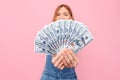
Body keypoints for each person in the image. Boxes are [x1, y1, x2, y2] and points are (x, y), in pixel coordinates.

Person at [39, 4, 79, 80]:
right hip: (49, 76)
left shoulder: (76, 37)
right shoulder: (49, 35)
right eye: (58, 15)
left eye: (65, 14)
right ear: (55, 18)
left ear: (71, 18)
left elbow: (74, 57)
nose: (61, 17)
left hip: (68, 77)